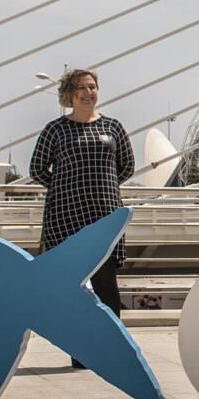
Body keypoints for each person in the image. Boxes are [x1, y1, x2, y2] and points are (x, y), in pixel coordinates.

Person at [31, 69, 135, 348]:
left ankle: (111, 347)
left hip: (105, 215)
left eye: (93, 87)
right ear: (70, 95)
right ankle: (79, 351)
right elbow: (37, 169)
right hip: (66, 217)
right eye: (82, 88)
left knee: (106, 287)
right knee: (72, 289)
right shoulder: (56, 129)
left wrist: (101, 187)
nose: (89, 93)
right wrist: (66, 188)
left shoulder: (113, 127)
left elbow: (126, 167)